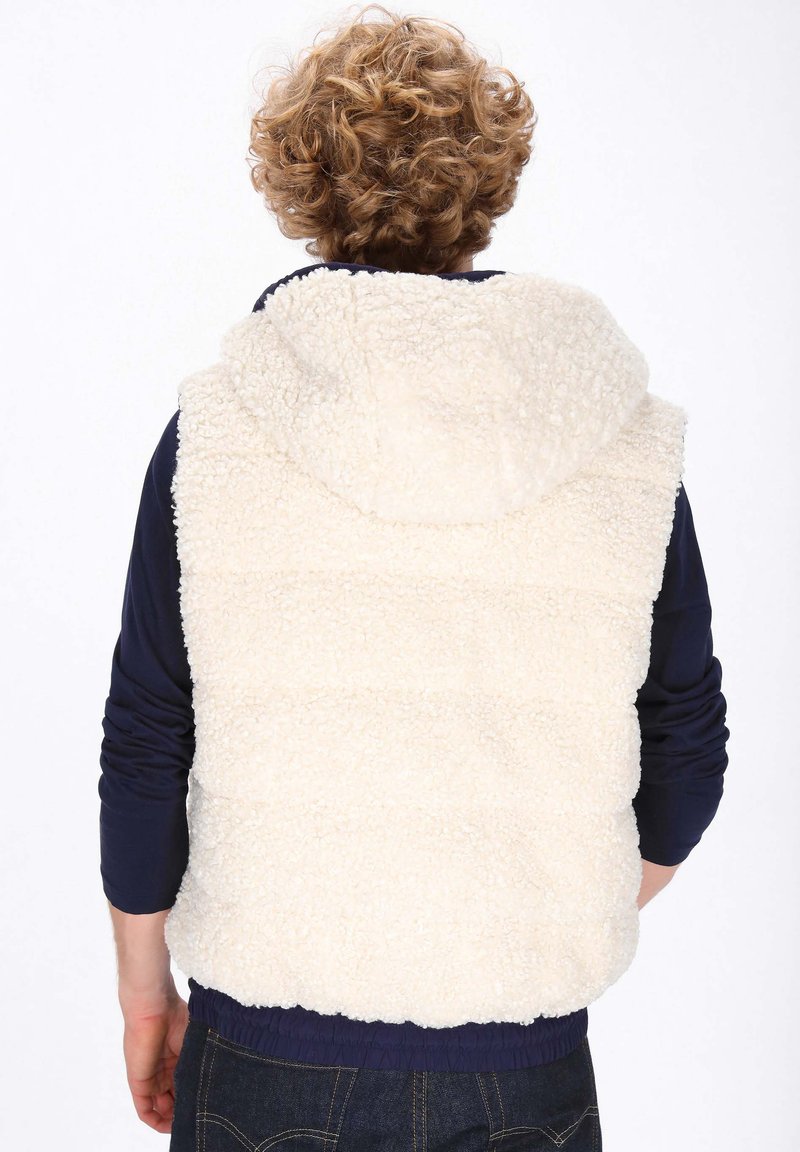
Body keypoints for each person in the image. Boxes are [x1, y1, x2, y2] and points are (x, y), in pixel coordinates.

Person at [98, 5, 729, 1149]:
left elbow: (147, 743)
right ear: (485, 185)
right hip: (522, 1062)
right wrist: (547, 915)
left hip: (266, 1055)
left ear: (300, 187)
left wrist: (146, 997)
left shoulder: (218, 433)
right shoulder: (620, 440)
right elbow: (683, 755)